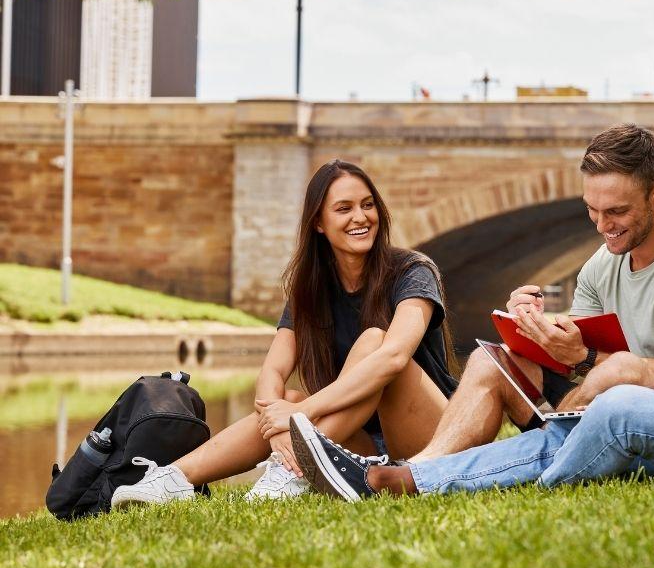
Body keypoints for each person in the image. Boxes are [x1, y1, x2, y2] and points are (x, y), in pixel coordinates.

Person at [289, 116, 654, 499]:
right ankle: (406, 477)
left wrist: (645, 386)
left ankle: (431, 480)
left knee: (619, 406)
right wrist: (577, 355)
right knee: (594, 399)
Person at [404, 122, 654, 470]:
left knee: (618, 370)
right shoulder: (600, 265)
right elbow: (579, 362)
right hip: (600, 405)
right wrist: (534, 329)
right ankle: (419, 468)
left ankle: (550, 442)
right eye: (592, 209)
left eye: (616, 211)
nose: (601, 226)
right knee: (489, 360)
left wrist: (583, 356)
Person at [111, 160, 457, 506]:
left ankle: (293, 470)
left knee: (373, 343)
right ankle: (171, 479)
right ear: (319, 223)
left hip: (433, 439)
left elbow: (394, 358)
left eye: (368, 205)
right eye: (344, 208)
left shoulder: (412, 270)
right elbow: (273, 371)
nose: (361, 217)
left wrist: (302, 412)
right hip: (361, 444)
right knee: (285, 398)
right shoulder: (311, 290)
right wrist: (277, 422)